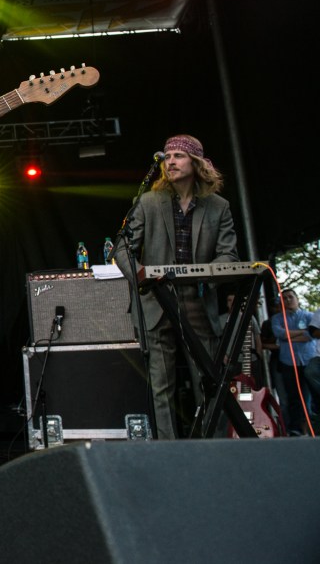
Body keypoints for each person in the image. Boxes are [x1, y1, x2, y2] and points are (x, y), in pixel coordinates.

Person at [114, 134, 239, 439]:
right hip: (157, 303)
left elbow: (228, 254)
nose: (170, 161)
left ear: (196, 163)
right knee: (162, 385)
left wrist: (201, 274)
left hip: (197, 301)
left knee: (208, 383)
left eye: (178, 156)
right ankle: (169, 453)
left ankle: (211, 449)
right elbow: (122, 248)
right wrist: (141, 276)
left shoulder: (218, 206)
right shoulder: (147, 201)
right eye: (167, 156)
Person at [269, 288, 317, 435]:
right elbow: (280, 334)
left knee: (309, 396)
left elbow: (312, 334)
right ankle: (295, 428)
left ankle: (311, 426)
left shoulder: (309, 316)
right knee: (293, 397)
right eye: (284, 298)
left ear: (297, 298)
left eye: (290, 297)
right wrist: (298, 334)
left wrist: (289, 336)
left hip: (308, 360)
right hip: (288, 362)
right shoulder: (277, 318)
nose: (288, 300)